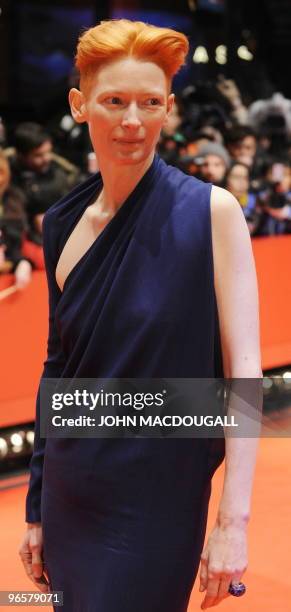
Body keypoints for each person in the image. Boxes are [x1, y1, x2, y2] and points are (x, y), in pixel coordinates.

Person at [19, 19, 262, 612]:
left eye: (151, 103)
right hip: (72, 497)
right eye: (114, 101)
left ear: (169, 108)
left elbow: (245, 370)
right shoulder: (60, 225)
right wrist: (37, 506)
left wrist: (233, 520)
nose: (133, 121)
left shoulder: (212, 212)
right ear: (80, 105)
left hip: (160, 499)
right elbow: (61, 368)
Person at [6, 122, 80, 244]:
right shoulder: (7, 175)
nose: (47, 158)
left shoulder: (63, 170)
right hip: (25, 241)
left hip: (60, 235)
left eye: (48, 152)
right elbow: (13, 220)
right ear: (21, 155)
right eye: (38, 155)